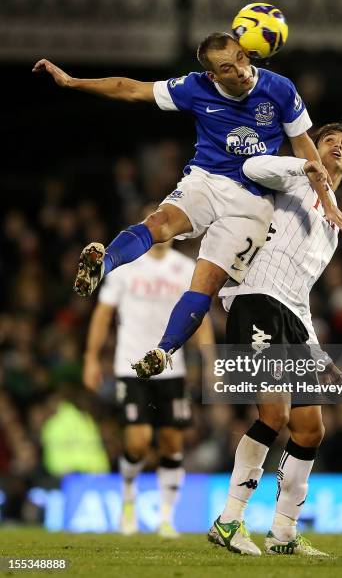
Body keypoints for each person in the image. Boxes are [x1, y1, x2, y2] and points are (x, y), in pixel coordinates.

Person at [33, 33, 342, 378]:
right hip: (207, 180)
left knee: (206, 284)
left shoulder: (280, 88)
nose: (242, 71)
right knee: (161, 223)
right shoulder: (194, 88)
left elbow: (305, 147)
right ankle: (103, 263)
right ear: (213, 76)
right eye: (228, 68)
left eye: (243, 58)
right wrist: (73, 82)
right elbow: (131, 88)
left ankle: (163, 350)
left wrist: (326, 201)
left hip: (253, 202)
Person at [207, 123, 342, 556]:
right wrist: (305, 164)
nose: (337, 145)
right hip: (255, 299)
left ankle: (283, 533)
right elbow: (253, 165)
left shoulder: (335, 222)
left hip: (292, 316)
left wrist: (316, 352)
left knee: (311, 429)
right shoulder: (294, 177)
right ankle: (228, 521)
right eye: (329, 139)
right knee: (274, 414)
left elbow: (301, 291)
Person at [82, 207, 215, 537]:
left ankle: (166, 518)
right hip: (131, 366)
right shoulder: (125, 269)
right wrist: (90, 358)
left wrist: (211, 360)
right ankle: (128, 499)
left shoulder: (186, 269)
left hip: (172, 368)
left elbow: (198, 316)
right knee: (138, 441)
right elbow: (102, 315)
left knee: (172, 442)